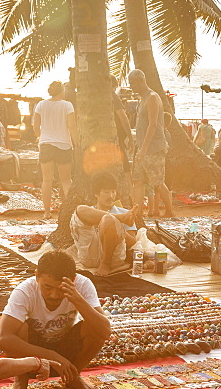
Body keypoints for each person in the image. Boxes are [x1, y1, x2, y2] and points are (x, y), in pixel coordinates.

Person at [0, 250, 111, 389]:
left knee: (94, 326)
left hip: (67, 352)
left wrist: (78, 300)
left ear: (73, 280)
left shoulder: (82, 285)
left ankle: (73, 376)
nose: (54, 295)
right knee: (19, 328)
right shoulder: (24, 291)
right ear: (36, 276)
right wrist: (53, 356)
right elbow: (3, 340)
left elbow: (105, 331)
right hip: (32, 357)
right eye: (48, 287)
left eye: (60, 289)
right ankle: (20, 381)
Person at [71, 172, 138, 276]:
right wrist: (119, 219)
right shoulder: (89, 212)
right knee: (79, 209)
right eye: (106, 192)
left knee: (108, 220)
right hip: (90, 257)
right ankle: (117, 219)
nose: (111, 196)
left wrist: (117, 229)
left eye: (113, 192)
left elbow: (133, 243)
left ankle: (105, 264)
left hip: (113, 259)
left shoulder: (124, 212)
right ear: (96, 193)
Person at [128, 69, 174, 217]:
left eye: (133, 84)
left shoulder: (152, 98)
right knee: (138, 180)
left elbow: (153, 125)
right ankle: (138, 213)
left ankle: (169, 211)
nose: (131, 87)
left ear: (141, 81)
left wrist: (144, 148)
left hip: (153, 148)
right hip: (142, 147)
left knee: (157, 182)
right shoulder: (142, 99)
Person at [34, 81, 76, 219]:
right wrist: (76, 144)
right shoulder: (67, 105)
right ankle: (70, 212)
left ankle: (46, 212)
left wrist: (42, 136)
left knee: (47, 180)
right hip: (63, 145)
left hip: (46, 144)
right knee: (66, 180)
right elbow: (72, 127)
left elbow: (35, 127)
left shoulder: (41, 105)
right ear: (61, 91)